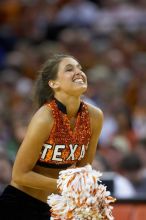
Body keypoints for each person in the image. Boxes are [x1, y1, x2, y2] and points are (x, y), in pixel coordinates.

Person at [0, 54, 103, 220]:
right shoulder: (45, 118)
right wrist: (66, 186)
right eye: (69, 69)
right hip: (19, 204)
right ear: (54, 83)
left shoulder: (95, 116)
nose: (78, 72)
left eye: (80, 68)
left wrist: (84, 193)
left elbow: (83, 169)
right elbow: (19, 174)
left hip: (54, 206)